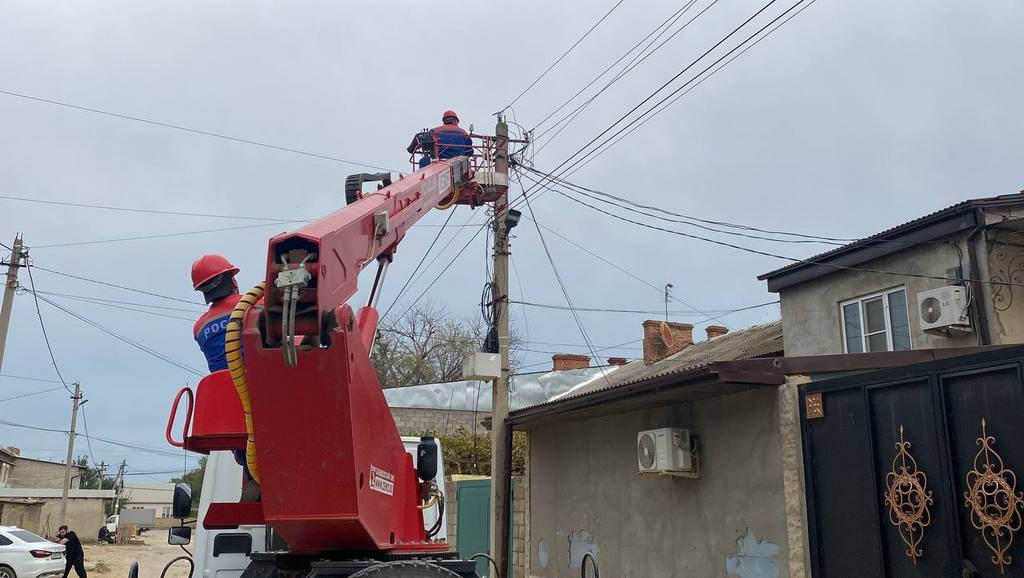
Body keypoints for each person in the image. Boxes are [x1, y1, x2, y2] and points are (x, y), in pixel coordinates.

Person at [190, 254, 257, 498]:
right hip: (260, 396)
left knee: (246, 445)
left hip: (226, 409)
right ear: (232, 279)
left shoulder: (199, 327)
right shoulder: (253, 304)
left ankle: (251, 476)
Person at [191, 254, 242, 373]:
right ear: (233, 281)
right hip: (261, 382)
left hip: (220, 387)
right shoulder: (256, 303)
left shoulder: (199, 327)